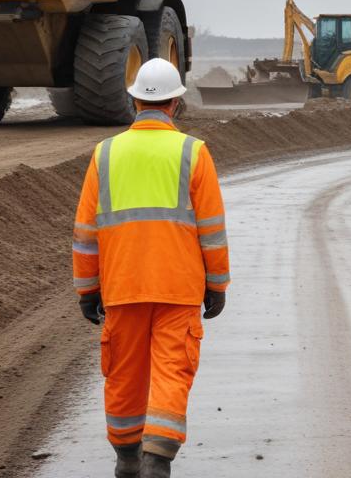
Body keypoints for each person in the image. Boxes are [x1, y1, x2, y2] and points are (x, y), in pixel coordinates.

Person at [72, 58, 230, 478]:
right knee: (171, 370)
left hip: (122, 285)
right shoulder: (193, 152)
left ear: (135, 101)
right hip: (179, 287)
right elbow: (211, 230)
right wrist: (217, 285)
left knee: (124, 373)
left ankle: (126, 458)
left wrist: (87, 290)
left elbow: (86, 231)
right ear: (176, 104)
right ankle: (157, 458)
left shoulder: (104, 154)